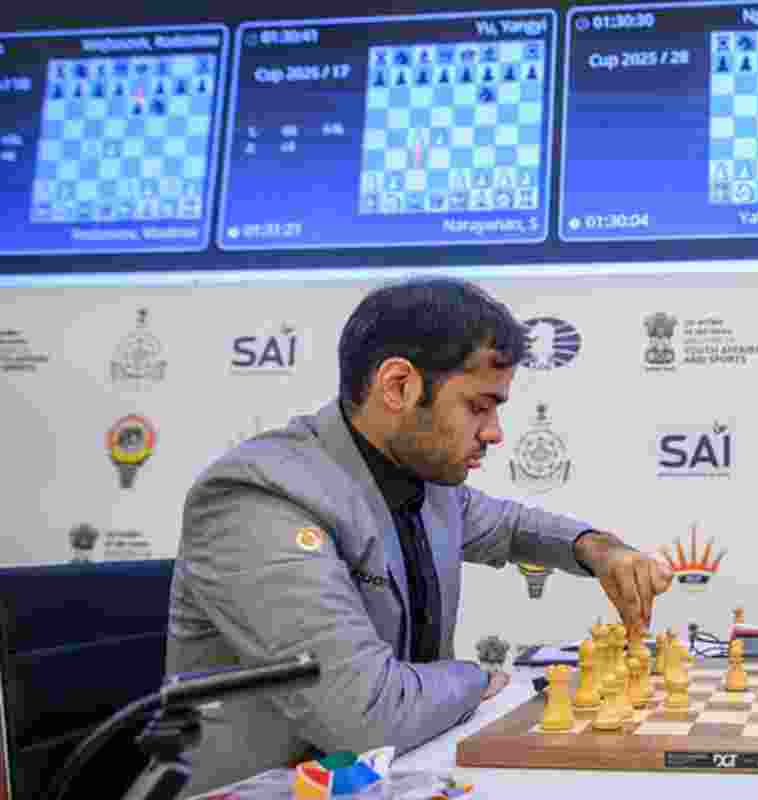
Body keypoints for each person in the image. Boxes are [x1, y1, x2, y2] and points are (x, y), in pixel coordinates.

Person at [166, 277, 673, 794]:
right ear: (399, 387)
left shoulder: (423, 481)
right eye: (479, 406)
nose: (495, 431)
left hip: (398, 778)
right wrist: (478, 680)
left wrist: (600, 548)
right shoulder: (258, 497)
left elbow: (514, 526)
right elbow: (365, 716)